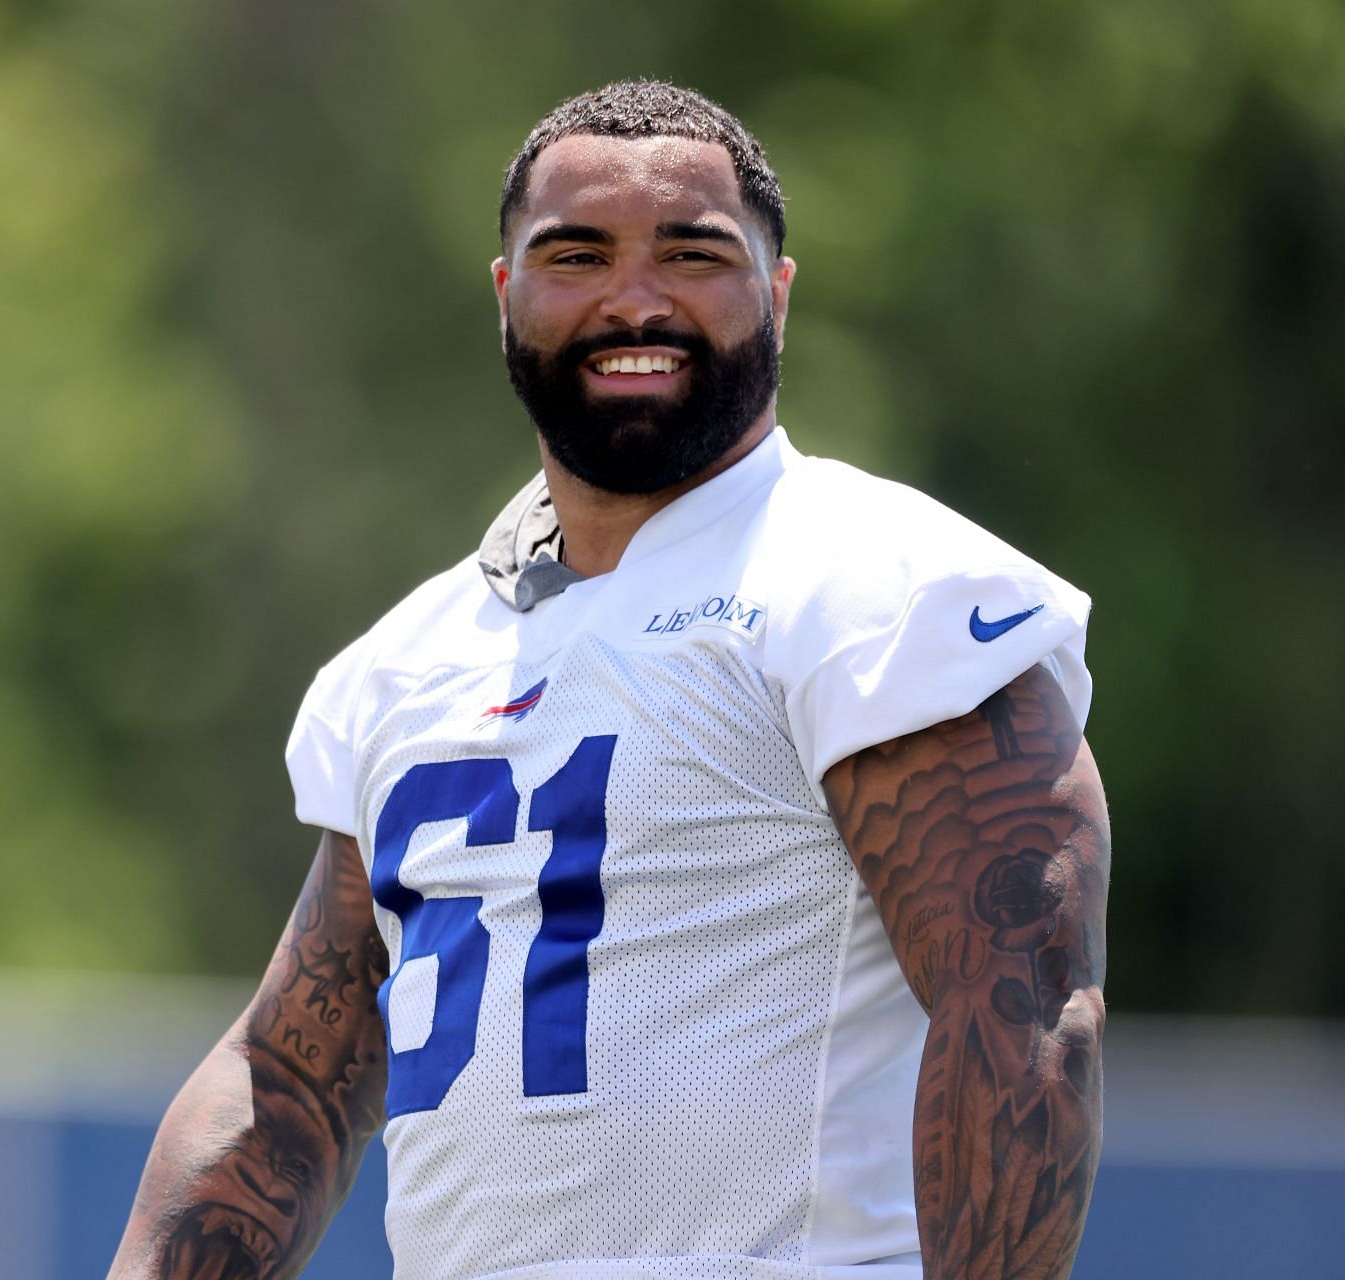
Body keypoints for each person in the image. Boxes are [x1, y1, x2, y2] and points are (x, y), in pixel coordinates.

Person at [109, 79, 1108, 1280]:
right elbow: (291, 1079)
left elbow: (1026, 1000)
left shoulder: (873, 585)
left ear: (778, 292)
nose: (634, 297)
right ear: (506, 292)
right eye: (575, 254)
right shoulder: (410, 660)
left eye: (693, 253)